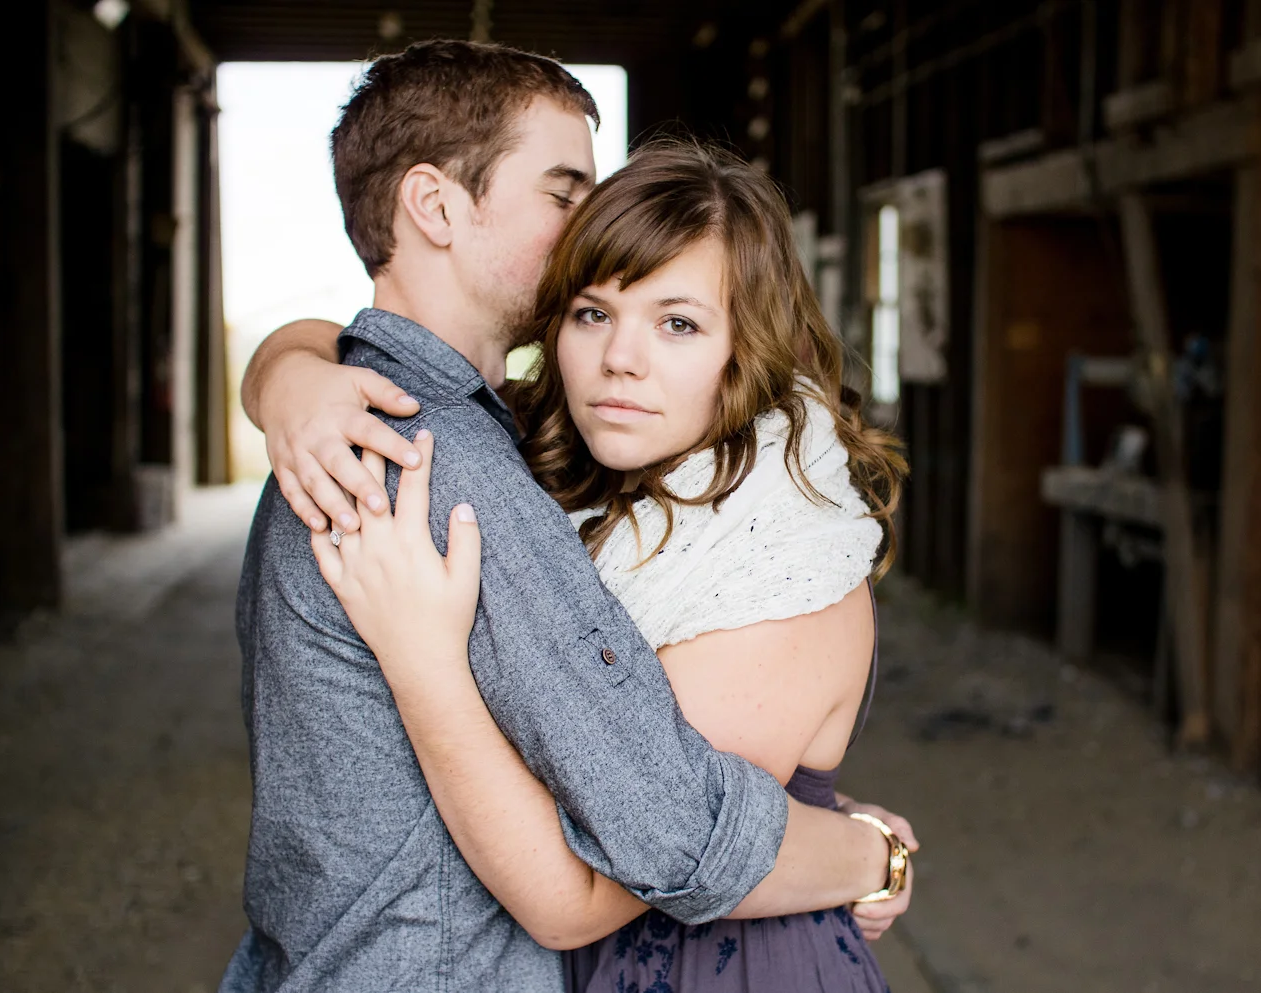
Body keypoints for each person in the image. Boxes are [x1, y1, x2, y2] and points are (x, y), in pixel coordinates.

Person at [224, 41, 912, 993]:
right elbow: (671, 830)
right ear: (434, 206)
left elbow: (665, 819)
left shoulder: (382, 423)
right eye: (563, 191)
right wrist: (865, 850)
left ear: (741, 345)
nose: (622, 353)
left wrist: (864, 846)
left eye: (678, 322)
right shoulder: (430, 453)